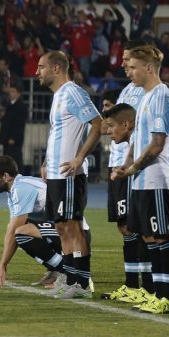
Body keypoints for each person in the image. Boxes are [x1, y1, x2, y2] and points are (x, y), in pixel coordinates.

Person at [112, 44, 169, 314]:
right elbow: (139, 140)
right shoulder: (146, 97)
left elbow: (157, 144)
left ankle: (168, 297)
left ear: (149, 68)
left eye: (133, 67)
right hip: (141, 179)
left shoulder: (163, 97)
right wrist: (127, 165)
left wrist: (132, 168)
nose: (129, 71)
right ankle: (157, 294)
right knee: (151, 237)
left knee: (163, 236)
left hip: (155, 178)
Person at [36, 51, 102, 299]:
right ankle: (70, 278)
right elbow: (58, 134)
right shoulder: (59, 96)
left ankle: (82, 284)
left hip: (70, 175)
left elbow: (97, 123)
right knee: (61, 227)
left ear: (56, 68)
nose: (36, 72)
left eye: (41, 67)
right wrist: (45, 162)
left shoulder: (73, 92)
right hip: (55, 174)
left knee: (73, 227)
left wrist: (80, 157)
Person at [0, 155, 89, 290]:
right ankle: (58, 271)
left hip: (76, 234)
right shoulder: (16, 187)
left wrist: (2, 266)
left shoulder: (20, 188)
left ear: (6, 176)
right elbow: (11, 226)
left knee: (21, 234)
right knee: (21, 229)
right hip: (66, 230)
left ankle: (67, 272)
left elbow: (13, 231)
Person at [101, 39, 152, 303]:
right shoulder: (128, 90)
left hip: (132, 166)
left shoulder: (150, 92)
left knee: (138, 226)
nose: (123, 65)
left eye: (128, 60)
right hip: (119, 162)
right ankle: (134, 285)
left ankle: (143, 286)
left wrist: (129, 164)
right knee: (126, 225)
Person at [0, 85, 27, 169]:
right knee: (6, 160)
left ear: (18, 94)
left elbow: (19, 124)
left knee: (16, 159)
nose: (11, 94)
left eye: (13, 91)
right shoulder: (8, 105)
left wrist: (14, 137)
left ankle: (19, 178)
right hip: (6, 137)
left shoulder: (21, 106)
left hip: (14, 139)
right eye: (10, 92)